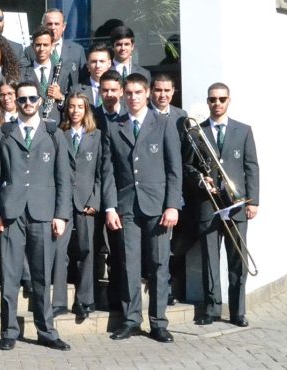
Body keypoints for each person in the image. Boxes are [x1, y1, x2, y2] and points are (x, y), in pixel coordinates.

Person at [0, 81, 72, 351]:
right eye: (21, 99)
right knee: (9, 274)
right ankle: (9, 330)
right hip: (11, 212)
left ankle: (46, 330)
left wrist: (61, 215)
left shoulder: (52, 133)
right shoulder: (5, 133)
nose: (26, 104)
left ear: (39, 100)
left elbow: (63, 179)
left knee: (41, 275)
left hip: (43, 211)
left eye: (31, 98)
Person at [101, 73, 181, 343]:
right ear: (123, 94)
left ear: (147, 94)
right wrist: (110, 207)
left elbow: (174, 169)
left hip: (157, 206)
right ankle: (131, 319)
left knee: (159, 264)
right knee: (128, 265)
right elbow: (108, 171)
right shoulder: (115, 126)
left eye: (138, 92)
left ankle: (158, 322)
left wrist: (172, 205)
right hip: (127, 207)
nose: (133, 97)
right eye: (129, 93)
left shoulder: (163, 124)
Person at [186, 83, 259, 327]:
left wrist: (254, 202)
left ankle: (238, 311)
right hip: (208, 204)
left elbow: (252, 168)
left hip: (237, 204)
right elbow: (189, 167)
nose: (217, 104)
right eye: (213, 99)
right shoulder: (198, 132)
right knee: (209, 259)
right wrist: (200, 179)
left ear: (229, 100)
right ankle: (211, 309)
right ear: (207, 102)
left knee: (238, 259)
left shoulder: (243, 130)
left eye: (222, 99)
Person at [54, 92, 104, 322]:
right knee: (60, 251)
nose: (75, 111)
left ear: (86, 111)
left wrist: (95, 201)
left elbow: (101, 173)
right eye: (71, 106)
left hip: (86, 202)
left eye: (79, 107)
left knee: (86, 251)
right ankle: (59, 302)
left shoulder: (96, 136)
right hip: (63, 201)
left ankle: (85, 300)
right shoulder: (58, 135)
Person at [151, 73, 189, 306]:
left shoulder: (181, 116)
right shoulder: (145, 116)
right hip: (154, 187)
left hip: (178, 187)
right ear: (151, 92)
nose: (163, 95)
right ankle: (163, 289)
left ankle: (171, 283)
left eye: (167, 90)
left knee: (182, 237)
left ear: (173, 91)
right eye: (158, 90)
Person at [20, 27, 78, 122]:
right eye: (38, 45)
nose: (42, 49)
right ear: (32, 47)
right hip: (31, 125)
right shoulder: (22, 74)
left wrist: (60, 97)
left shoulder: (64, 73)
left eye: (46, 45)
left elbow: (72, 104)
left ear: (52, 46)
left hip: (57, 127)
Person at [22, 9, 86, 70]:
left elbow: (83, 79)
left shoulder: (77, 50)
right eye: (49, 24)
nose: (53, 27)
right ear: (43, 26)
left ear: (63, 26)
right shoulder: (29, 52)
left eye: (56, 24)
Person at [75, 43, 114, 109]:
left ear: (109, 63)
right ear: (87, 65)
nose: (98, 66)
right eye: (94, 62)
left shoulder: (118, 89)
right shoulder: (76, 90)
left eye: (102, 61)